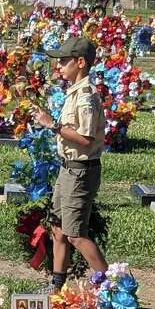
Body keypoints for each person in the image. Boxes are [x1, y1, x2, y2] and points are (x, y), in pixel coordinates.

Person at [32, 36, 109, 291]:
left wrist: (51, 124)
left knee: (75, 234)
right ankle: (57, 285)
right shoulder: (75, 92)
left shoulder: (85, 96)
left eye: (64, 61)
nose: (59, 66)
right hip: (69, 168)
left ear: (80, 62)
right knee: (58, 229)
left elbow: (86, 139)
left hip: (81, 171)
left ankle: (112, 287)